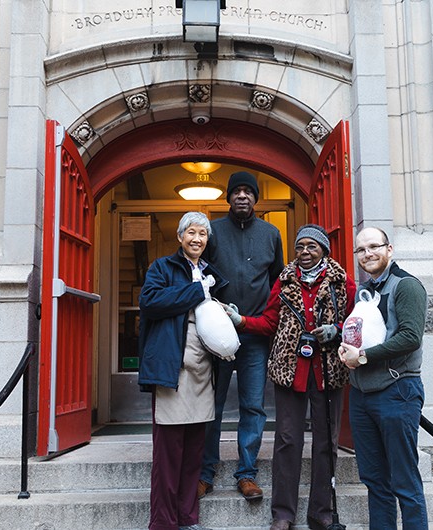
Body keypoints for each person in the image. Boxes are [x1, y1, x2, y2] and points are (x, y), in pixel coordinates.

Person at [225, 224, 356, 530]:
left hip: (328, 372)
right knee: (287, 441)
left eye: (312, 246)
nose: (305, 252)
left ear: (324, 249)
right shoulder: (284, 282)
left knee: (326, 442)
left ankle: (321, 513)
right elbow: (270, 321)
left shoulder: (343, 283)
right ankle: (283, 514)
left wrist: (337, 331)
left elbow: (355, 321)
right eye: (300, 247)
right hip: (290, 370)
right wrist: (240, 320)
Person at [138, 211, 229, 530]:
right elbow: (150, 302)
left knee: (193, 452)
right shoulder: (162, 267)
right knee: (168, 453)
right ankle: (163, 522)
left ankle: (188, 517)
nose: (197, 239)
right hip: (171, 370)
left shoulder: (212, 274)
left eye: (203, 234)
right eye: (191, 232)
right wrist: (197, 292)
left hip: (203, 369)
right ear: (180, 237)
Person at [199, 171, 285, 501]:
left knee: (252, 407)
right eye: (237, 191)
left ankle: (247, 474)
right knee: (212, 406)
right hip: (216, 336)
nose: (243, 196)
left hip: (255, 336)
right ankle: (205, 472)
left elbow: (278, 281)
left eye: (249, 191)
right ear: (228, 197)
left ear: (256, 198)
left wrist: (268, 321)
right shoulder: (213, 232)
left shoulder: (271, 233)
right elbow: (199, 276)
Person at [338, 226, 429, 530]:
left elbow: (410, 338)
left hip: (397, 392)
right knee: (375, 482)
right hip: (362, 396)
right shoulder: (365, 292)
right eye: (361, 250)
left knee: (404, 482)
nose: (367, 254)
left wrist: (362, 357)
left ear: (389, 249)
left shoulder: (407, 286)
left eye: (374, 247)